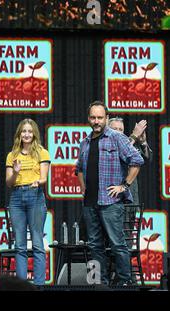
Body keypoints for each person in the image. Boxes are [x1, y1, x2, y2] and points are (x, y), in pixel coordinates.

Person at [76, 101, 144, 285]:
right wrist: (83, 187)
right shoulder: (85, 142)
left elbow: (136, 160)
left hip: (111, 202)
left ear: (106, 118)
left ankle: (124, 283)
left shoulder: (116, 138)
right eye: (93, 117)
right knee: (94, 247)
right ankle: (97, 284)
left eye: (100, 117)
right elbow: (79, 169)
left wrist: (124, 185)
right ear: (88, 118)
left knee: (118, 245)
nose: (96, 121)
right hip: (90, 204)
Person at [5, 118, 50, 286]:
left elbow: (44, 177)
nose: (26, 134)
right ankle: (22, 286)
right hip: (16, 197)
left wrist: (38, 181)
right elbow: (9, 182)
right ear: (19, 134)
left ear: (34, 134)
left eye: (30, 131)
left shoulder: (42, 152)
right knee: (20, 245)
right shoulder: (12, 155)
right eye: (24, 131)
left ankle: (39, 285)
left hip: (35, 196)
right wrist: (16, 172)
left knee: (37, 243)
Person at [108, 117, 152, 205]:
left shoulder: (130, 144)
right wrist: (134, 135)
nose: (118, 131)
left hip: (130, 198)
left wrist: (143, 142)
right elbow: (118, 154)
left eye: (120, 129)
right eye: (114, 129)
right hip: (112, 199)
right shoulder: (105, 144)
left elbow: (147, 159)